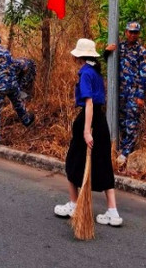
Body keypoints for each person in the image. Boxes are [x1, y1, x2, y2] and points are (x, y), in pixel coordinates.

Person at [54, 38, 122, 226]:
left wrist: (86, 131)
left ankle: (74, 204)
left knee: (73, 163)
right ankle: (113, 211)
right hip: (101, 123)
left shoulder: (85, 74)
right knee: (103, 163)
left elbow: (89, 103)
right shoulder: (96, 72)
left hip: (88, 120)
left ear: (79, 57)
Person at [104, 21, 146, 166]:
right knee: (121, 121)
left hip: (133, 93)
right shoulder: (120, 48)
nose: (132, 35)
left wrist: (140, 96)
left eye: (135, 32)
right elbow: (109, 63)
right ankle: (119, 150)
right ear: (126, 32)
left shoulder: (142, 52)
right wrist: (106, 52)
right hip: (119, 93)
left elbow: (144, 75)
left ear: (138, 34)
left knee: (131, 122)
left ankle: (125, 153)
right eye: (130, 32)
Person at [0, 33, 34, 145]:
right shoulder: (7, 51)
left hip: (0, 85)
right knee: (18, 104)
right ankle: (27, 120)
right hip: (13, 84)